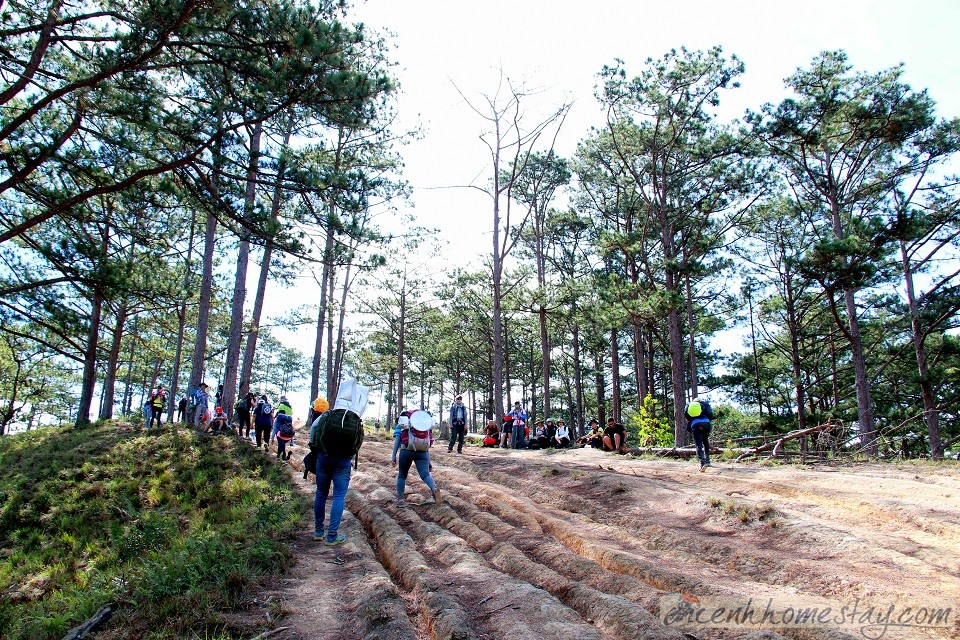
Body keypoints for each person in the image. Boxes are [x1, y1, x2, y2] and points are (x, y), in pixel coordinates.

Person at [392, 411, 441, 506]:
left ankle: (401, 499)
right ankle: (434, 488)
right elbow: (426, 444)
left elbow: (397, 440)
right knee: (426, 475)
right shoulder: (425, 425)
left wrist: (394, 456)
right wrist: (429, 462)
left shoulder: (403, 423)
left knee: (402, 475)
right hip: (422, 452)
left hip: (406, 451)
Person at [685, 397, 714, 471]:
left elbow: (686, 416)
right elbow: (710, 414)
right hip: (707, 424)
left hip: (696, 424)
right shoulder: (705, 405)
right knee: (705, 441)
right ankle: (707, 460)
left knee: (698, 444)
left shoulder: (689, 405)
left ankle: (703, 462)